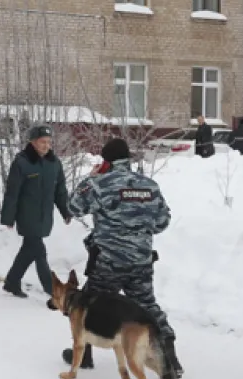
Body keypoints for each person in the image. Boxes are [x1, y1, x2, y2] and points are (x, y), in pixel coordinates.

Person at [63, 138, 182, 379]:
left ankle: (84, 356)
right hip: (141, 261)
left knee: (89, 304)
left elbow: (73, 208)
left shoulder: (100, 184)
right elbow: (162, 222)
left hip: (109, 261)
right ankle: (170, 359)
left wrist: (90, 179)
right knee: (147, 307)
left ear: (106, 162)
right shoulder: (149, 185)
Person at [0, 125, 71, 299]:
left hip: (44, 216)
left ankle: (12, 282)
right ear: (33, 142)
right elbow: (12, 192)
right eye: (42, 142)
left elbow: (60, 191)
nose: (46, 146)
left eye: (49, 142)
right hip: (27, 216)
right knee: (39, 251)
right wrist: (9, 217)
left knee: (28, 250)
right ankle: (53, 291)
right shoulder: (22, 162)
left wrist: (66, 211)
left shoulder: (54, 164)